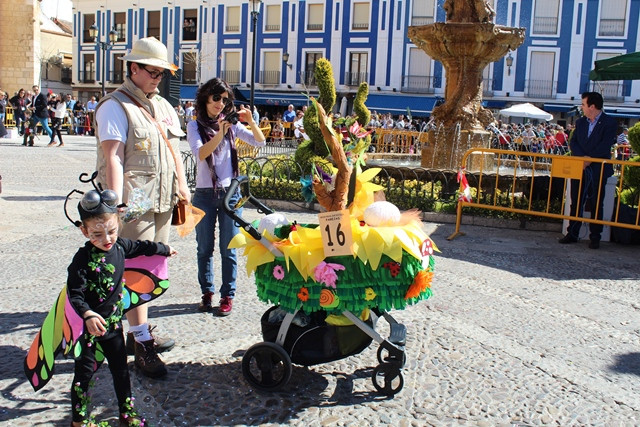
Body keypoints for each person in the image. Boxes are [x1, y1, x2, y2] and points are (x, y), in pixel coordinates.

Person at [94, 36, 191, 377]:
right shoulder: (114, 106)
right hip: (134, 206)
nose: (158, 78)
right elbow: (113, 158)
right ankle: (139, 343)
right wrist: (115, 205)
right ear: (133, 68)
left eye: (162, 74)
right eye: (152, 72)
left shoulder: (163, 106)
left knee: (150, 271)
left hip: (163, 201)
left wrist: (182, 185)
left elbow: (174, 150)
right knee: (132, 273)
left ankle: (138, 333)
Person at [66, 185, 175, 426]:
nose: (106, 239)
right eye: (97, 234)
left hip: (113, 327)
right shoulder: (81, 260)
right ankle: (79, 420)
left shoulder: (120, 247)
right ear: (84, 231)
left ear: (117, 223)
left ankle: (127, 415)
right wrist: (87, 314)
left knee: (121, 372)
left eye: (111, 231)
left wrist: (164, 249)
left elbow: (143, 247)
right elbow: (75, 294)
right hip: (88, 332)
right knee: (83, 375)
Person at [187, 77, 265, 314]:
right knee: (204, 247)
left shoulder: (230, 125)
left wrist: (251, 122)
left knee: (229, 247)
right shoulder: (194, 126)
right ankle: (207, 292)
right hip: (203, 194)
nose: (220, 104)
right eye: (215, 98)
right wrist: (220, 133)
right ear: (205, 99)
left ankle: (227, 296)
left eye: (224, 99)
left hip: (230, 193)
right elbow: (201, 153)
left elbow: (259, 143)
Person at [559, 92, 617, 249]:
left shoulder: (609, 122)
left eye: (583, 104)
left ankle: (595, 236)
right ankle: (572, 233)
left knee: (596, 202)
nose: (581, 107)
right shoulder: (581, 122)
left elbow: (605, 145)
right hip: (580, 167)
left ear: (592, 106)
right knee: (576, 200)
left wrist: (589, 158)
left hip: (598, 168)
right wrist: (582, 157)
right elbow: (574, 141)